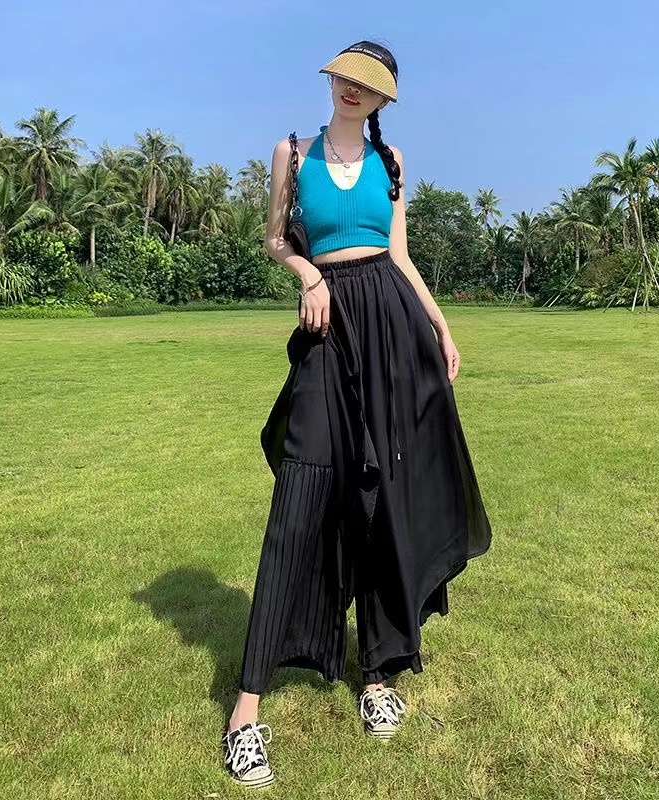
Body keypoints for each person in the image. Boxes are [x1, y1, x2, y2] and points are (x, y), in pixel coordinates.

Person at [221, 40, 492, 788]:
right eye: (345, 77)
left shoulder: (392, 161)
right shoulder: (292, 151)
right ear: (333, 80)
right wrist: (307, 273)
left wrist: (440, 325)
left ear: (381, 100)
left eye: (368, 85)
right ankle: (246, 711)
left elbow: (399, 257)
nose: (352, 90)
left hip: (393, 329)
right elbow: (274, 239)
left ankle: (376, 675)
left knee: (384, 499)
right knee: (299, 497)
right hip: (327, 328)